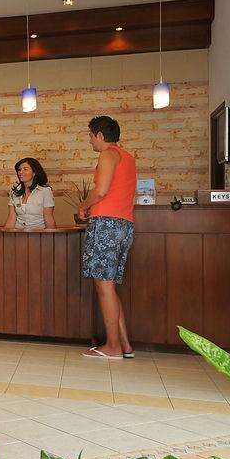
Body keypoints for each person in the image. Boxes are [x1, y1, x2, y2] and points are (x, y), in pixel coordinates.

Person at [79, 115, 137, 359]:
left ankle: (112, 347)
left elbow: (100, 190)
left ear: (100, 135)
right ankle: (124, 345)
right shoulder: (128, 157)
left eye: (91, 136)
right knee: (109, 286)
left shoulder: (108, 154)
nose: (90, 141)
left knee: (104, 286)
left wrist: (83, 206)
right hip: (124, 224)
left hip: (106, 224)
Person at [3, 157, 56, 230]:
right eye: (19, 170)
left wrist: (51, 236)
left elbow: (48, 217)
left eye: (25, 169)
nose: (20, 172)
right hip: (18, 233)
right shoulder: (15, 192)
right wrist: (5, 234)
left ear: (34, 172)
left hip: (38, 233)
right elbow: (11, 217)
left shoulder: (45, 191)